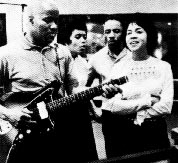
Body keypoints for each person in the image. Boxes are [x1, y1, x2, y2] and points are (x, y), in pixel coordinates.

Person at [0, 1, 121, 163]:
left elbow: (74, 90)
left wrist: (100, 90)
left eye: (56, 21)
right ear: (29, 21)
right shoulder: (7, 54)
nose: (54, 26)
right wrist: (10, 115)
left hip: (56, 131)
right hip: (24, 133)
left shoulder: (62, 52)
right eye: (47, 20)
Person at [101, 13, 174, 160]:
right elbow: (114, 106)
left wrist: (133, 111)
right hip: (125, 135)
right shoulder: (118, 67)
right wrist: (147, 102)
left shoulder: (163, 67)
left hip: (155, 133)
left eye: (139, 31)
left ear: (149, 36)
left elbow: (166, 106)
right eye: (129, 33)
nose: (133, 36)